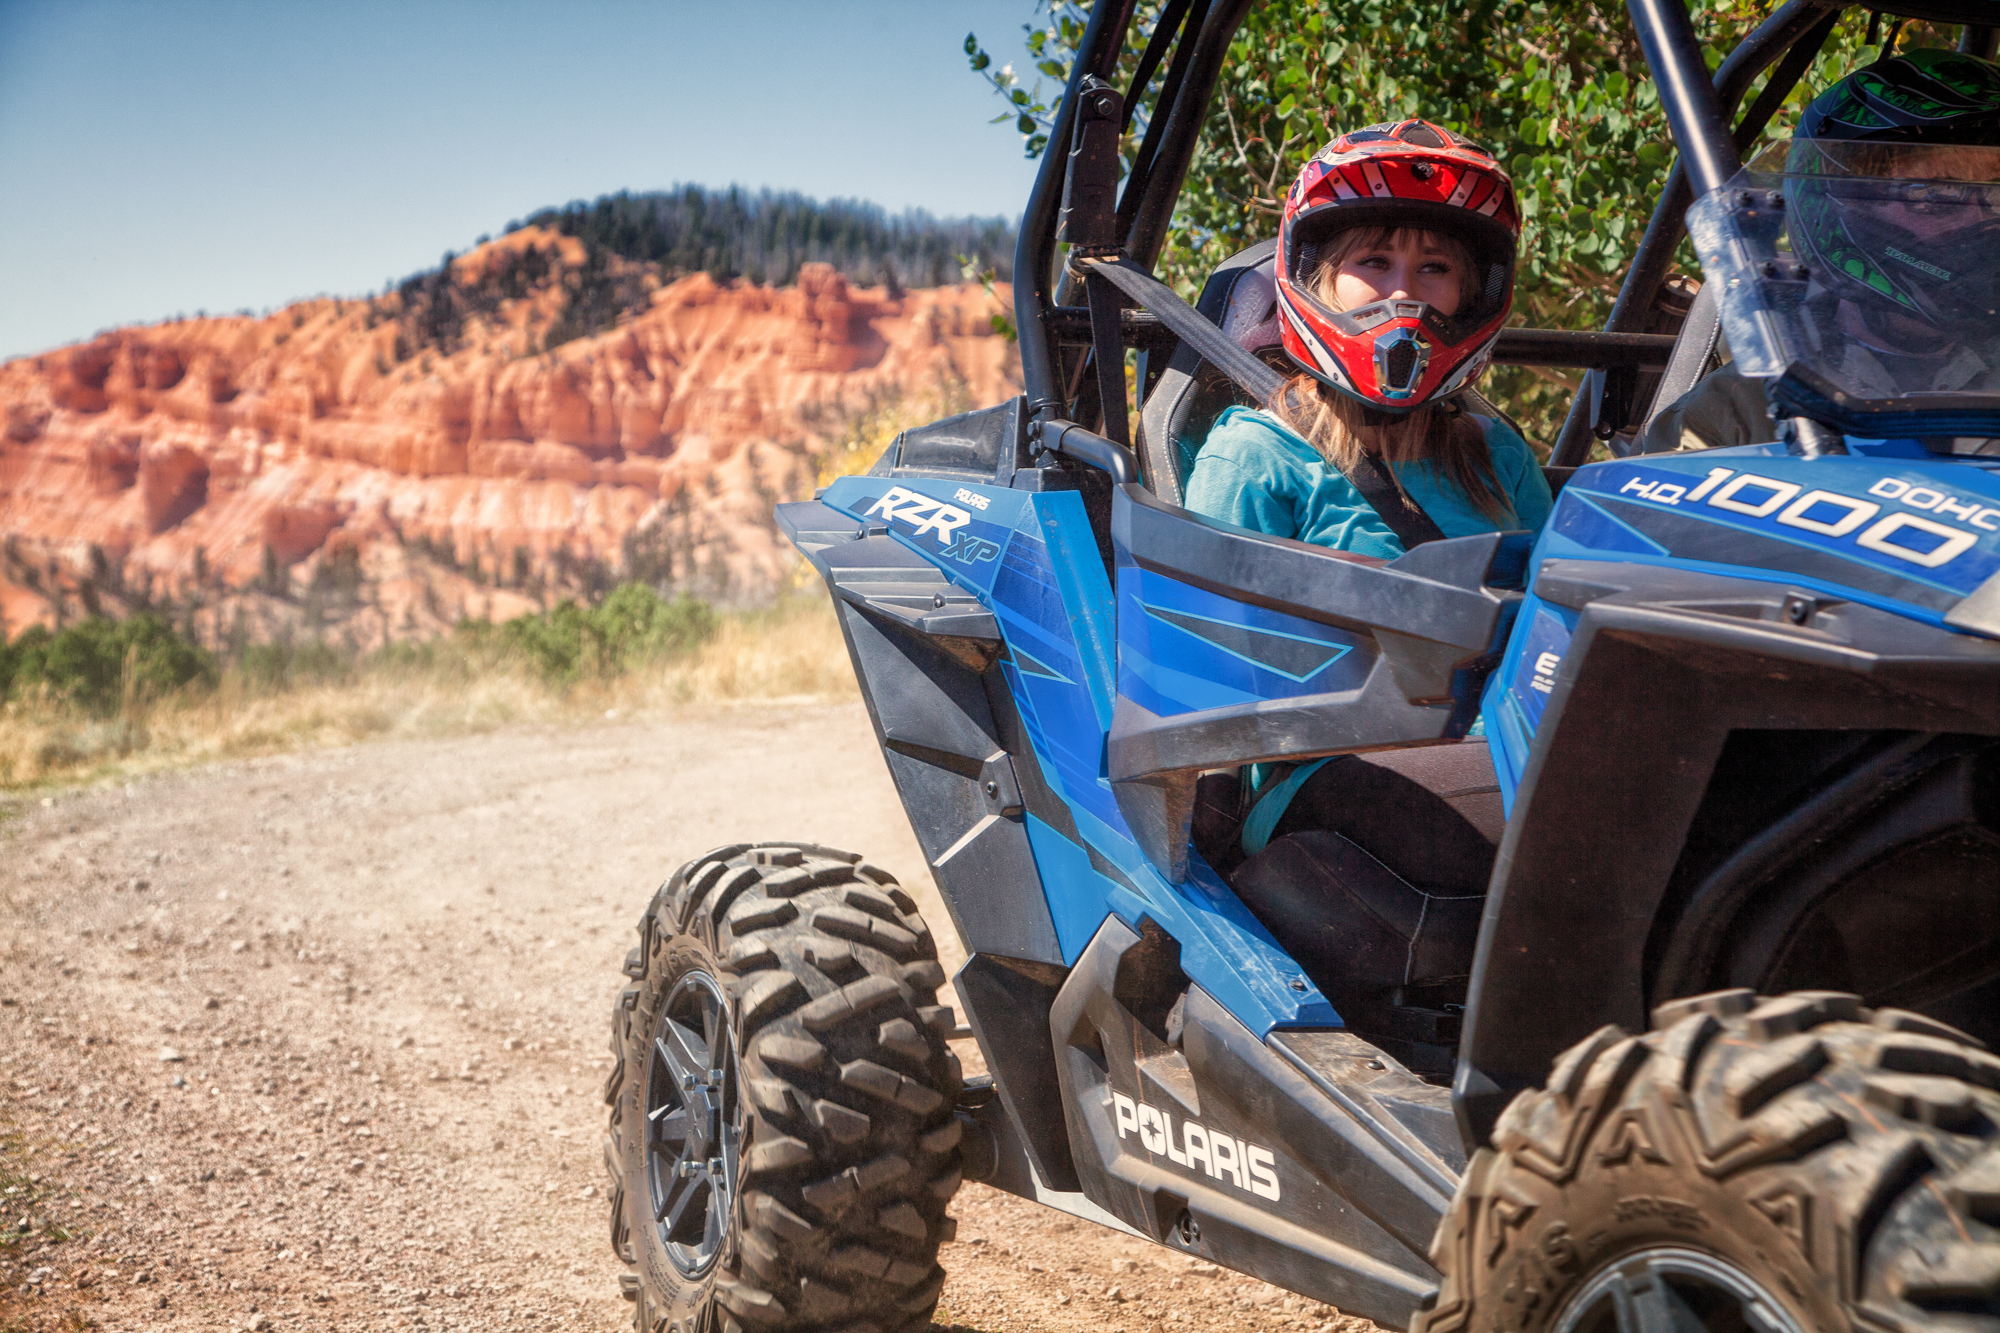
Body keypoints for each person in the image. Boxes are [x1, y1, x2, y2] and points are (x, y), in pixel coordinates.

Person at [1180, 120, 1551, 1043]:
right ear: (1314, 282)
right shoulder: (1256, 454)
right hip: (1316, 777)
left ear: (1472, 292)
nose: (1404, 293)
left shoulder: (1494, 451)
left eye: (1434, 270)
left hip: (1504, 741)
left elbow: (1561, 607)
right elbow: (1197, 681)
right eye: (1373, 261)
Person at [1644, 46, 2000, 454]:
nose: (1979, 220)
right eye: (1933, 195)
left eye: (1994, 193)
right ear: (1838, 210)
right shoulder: (1735, 416)